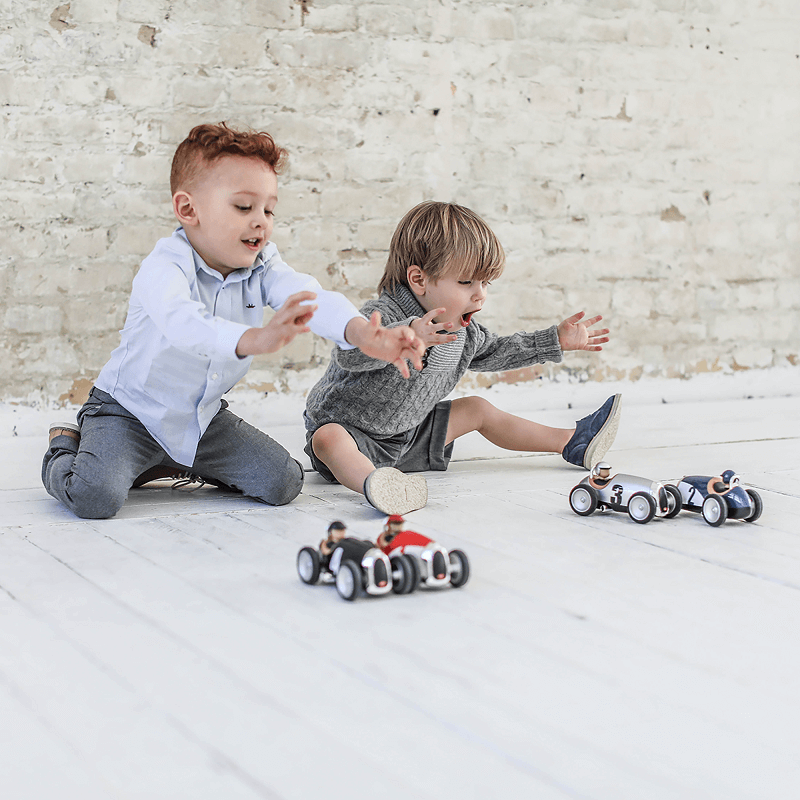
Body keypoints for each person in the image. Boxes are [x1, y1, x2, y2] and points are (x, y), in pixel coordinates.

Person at [42, 123, 424, 519]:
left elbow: (308, 295)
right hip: (129, 412)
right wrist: (256, 338)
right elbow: (184, 324)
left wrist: (361, 333)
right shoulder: (164, 267)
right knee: (94, 497)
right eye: (244, 207)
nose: (261, 221)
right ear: (188, 210)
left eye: (268, 209)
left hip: (201, 419)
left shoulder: (262, 264)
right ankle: (65, 444)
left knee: (284, 481)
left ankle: (171, 460)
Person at [303, 200, 621, 515]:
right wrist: (404, 334)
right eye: (466, 282)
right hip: (352, 439)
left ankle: (571, 442)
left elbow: (498, 351)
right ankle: (378, 485)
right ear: (419, 280)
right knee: (327, 438)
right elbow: (351, 356)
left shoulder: (463, 333)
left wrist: (554, 340)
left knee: (476, 409)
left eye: (485, 282)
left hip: (409, 438)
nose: (479, 294)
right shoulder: (381, 318)